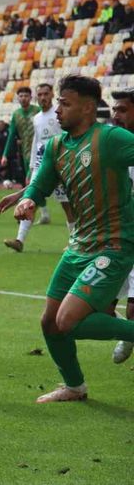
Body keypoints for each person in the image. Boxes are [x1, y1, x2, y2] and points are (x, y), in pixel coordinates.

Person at [0, 75, 134, 403]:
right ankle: (74, 387)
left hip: (113, 246)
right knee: (50, 322)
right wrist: (29, 199)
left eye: (65, 103)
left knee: (68, 321)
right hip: (78, 245)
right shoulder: (57, 145)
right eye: (58, 102)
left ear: (88, 108)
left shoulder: (111, 138)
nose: (58, 109)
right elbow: (41, 182)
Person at [3, 83, 75, 252]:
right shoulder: (36, 118)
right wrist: (31, 168)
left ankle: (74, 242)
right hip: (41, 164)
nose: (43, 97)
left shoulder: (59, 113)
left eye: (46, 94)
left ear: (52, 95)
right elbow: (37, 143)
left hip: (60, 164)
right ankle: (19, 240)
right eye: (40, 94)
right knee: (30, 200)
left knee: (67, 204)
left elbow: (68, 137)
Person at [109, 87, 134, 363]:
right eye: (114, 109)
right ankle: (128, 334)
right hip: (116, 236)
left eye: (123, 110)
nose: (116, 115)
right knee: (98, 307)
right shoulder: (111, 144)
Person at [0, 86, 41, 188]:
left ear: (30, 97)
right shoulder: (16, 114)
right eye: (21, 96)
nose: (23, 98)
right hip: (26, 152)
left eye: (26, 96)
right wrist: (5, 155)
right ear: (18, 98)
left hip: (40, 149)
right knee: (29, 180)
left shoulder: (38, 111)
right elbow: (11, 136)